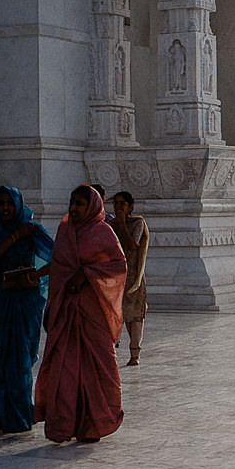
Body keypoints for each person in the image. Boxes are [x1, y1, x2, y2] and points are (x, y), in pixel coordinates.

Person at [34, 185, 126, 443]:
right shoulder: (65, 231)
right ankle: (65, 424)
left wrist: (85, 275)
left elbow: (117, 266)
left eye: (80, 204)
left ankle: (95, 423)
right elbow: (59, 267)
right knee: (65, 370)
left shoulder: (102, 233)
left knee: (98, 368)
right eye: (71, 203)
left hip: (92, 312)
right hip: (66, 311)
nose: (73, 208)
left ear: (93, 207)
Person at [0, 186, 54, 435]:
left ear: (19, 204)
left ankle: (20, 412)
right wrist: (14, 237)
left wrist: (36, 275)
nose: (5, 208)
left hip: (27, 300)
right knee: (10, 355)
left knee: (22, 357)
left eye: (9, 203)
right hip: (2, 298)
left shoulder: (32, 229)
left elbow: (58, 257)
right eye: (1, 204)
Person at [108, 191, 149, 366]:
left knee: (136, 316)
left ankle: (135, 353)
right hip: (115, 275)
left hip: (133, 275)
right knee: (119, 314)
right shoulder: (110, 225)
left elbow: (132, 245)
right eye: (116, 204)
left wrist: (123, 223)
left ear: (130, 206)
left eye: (122, 204)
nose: (118, 207)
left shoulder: (137, 223)